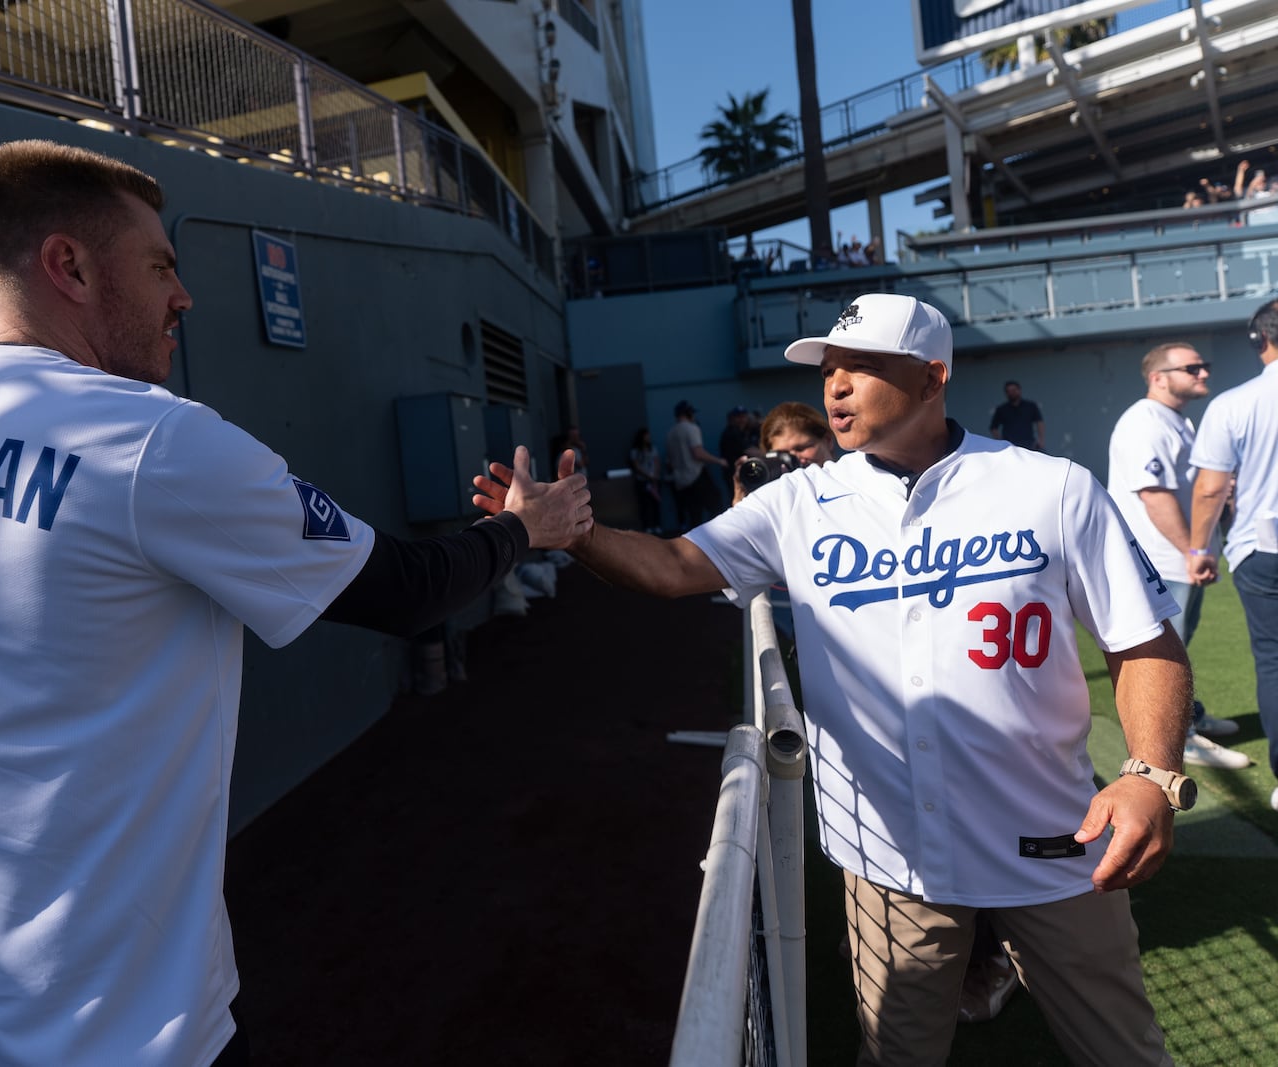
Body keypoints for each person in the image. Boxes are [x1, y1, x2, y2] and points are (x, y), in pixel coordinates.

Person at [0, 140, 592, 1067]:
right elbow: (408, 593)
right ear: (68, 265)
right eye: (160, 267)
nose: (182, 296)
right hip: (133, 1031)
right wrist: (525, 529)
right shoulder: (150, 439)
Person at [476, 293, 1191, 1064]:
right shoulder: (799, 502)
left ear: (931, 376)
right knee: (894, 1057)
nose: (835, 386)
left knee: (1125, 1052)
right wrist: (571, 531)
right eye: (829, 368)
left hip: (1053, 844)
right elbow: (675, 565)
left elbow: (1144, 643)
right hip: (891, 856)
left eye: (861, 366)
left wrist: (1150, 773)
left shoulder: (1049, 486)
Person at [1108, 341, 1251, 769]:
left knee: (1181, 644)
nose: (1203, 373)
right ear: (1159, 378)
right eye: (1192, 368)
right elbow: (1154, 496)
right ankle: (1179, 737)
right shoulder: (1144, 422)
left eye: (1203, 366)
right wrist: (1193, 550)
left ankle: (1189, 715)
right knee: (1166, 653)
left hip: (1177, 557)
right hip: (1161, 560)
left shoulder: (1175, 421)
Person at [1188, 298, 1278, 811]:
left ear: (1257, 340)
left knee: (1273, 660)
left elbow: (1209, 490)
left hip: (1264, 547)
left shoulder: (1234, 403)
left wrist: (1201, 548)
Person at [666, 400, 728, 532]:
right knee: (716, 505)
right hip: (696, 475)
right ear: (688, 413)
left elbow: (670, 461)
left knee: (694, 514)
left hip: (681, 481)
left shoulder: (670, 433)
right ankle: (716, 536)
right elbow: (698, 453)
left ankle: (696, 544)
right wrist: (719, 461)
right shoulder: (691, 428)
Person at [989, 379, 1044, 450]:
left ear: (1019, 390)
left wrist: (1041, 440)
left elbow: (1039, 422)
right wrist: (1001, 442)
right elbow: (993, 428)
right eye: (1009, 391)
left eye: (1014, 390)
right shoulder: (1001, 409)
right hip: (1010, 446)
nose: (1012, 393)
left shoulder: (1030, 406)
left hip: (1029, 444)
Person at [628, 427, 663, 534]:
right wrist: (648, 475)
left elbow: (657, 462)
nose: (648, 438)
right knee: (644, 504)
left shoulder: (652, 448)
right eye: (646, 436)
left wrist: (655, 476)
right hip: (642, 481)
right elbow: (636, 466)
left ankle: (657, 525)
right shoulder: (635, 451)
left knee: (655, 504)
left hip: (654, 481)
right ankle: (647, 526)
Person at [718, 404, 758, 471]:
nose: (741, 419)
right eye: (738, 417)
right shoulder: (731, 432)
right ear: (732, 419)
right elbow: (750, 451)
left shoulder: (746, 430)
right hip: (734, 471)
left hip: (744, 468)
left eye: (743, 416)